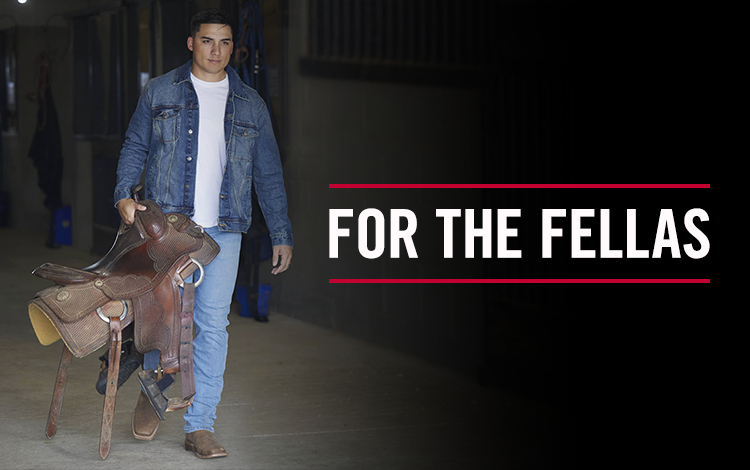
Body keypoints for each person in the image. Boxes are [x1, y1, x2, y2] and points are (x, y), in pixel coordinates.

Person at [113, 8, 293, 459]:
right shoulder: (160, 91)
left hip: (225, 231)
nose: (217, 51)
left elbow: (268, 172)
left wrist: (281, 232)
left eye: (225, 42)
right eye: (208, 41)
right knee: (160, 319)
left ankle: (200, 426)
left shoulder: (251, 103)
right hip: (168, 227)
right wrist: (123, 194)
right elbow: (136, 145)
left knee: (213, 325)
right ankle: (154, 387)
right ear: (191, 42)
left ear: (235, 47)